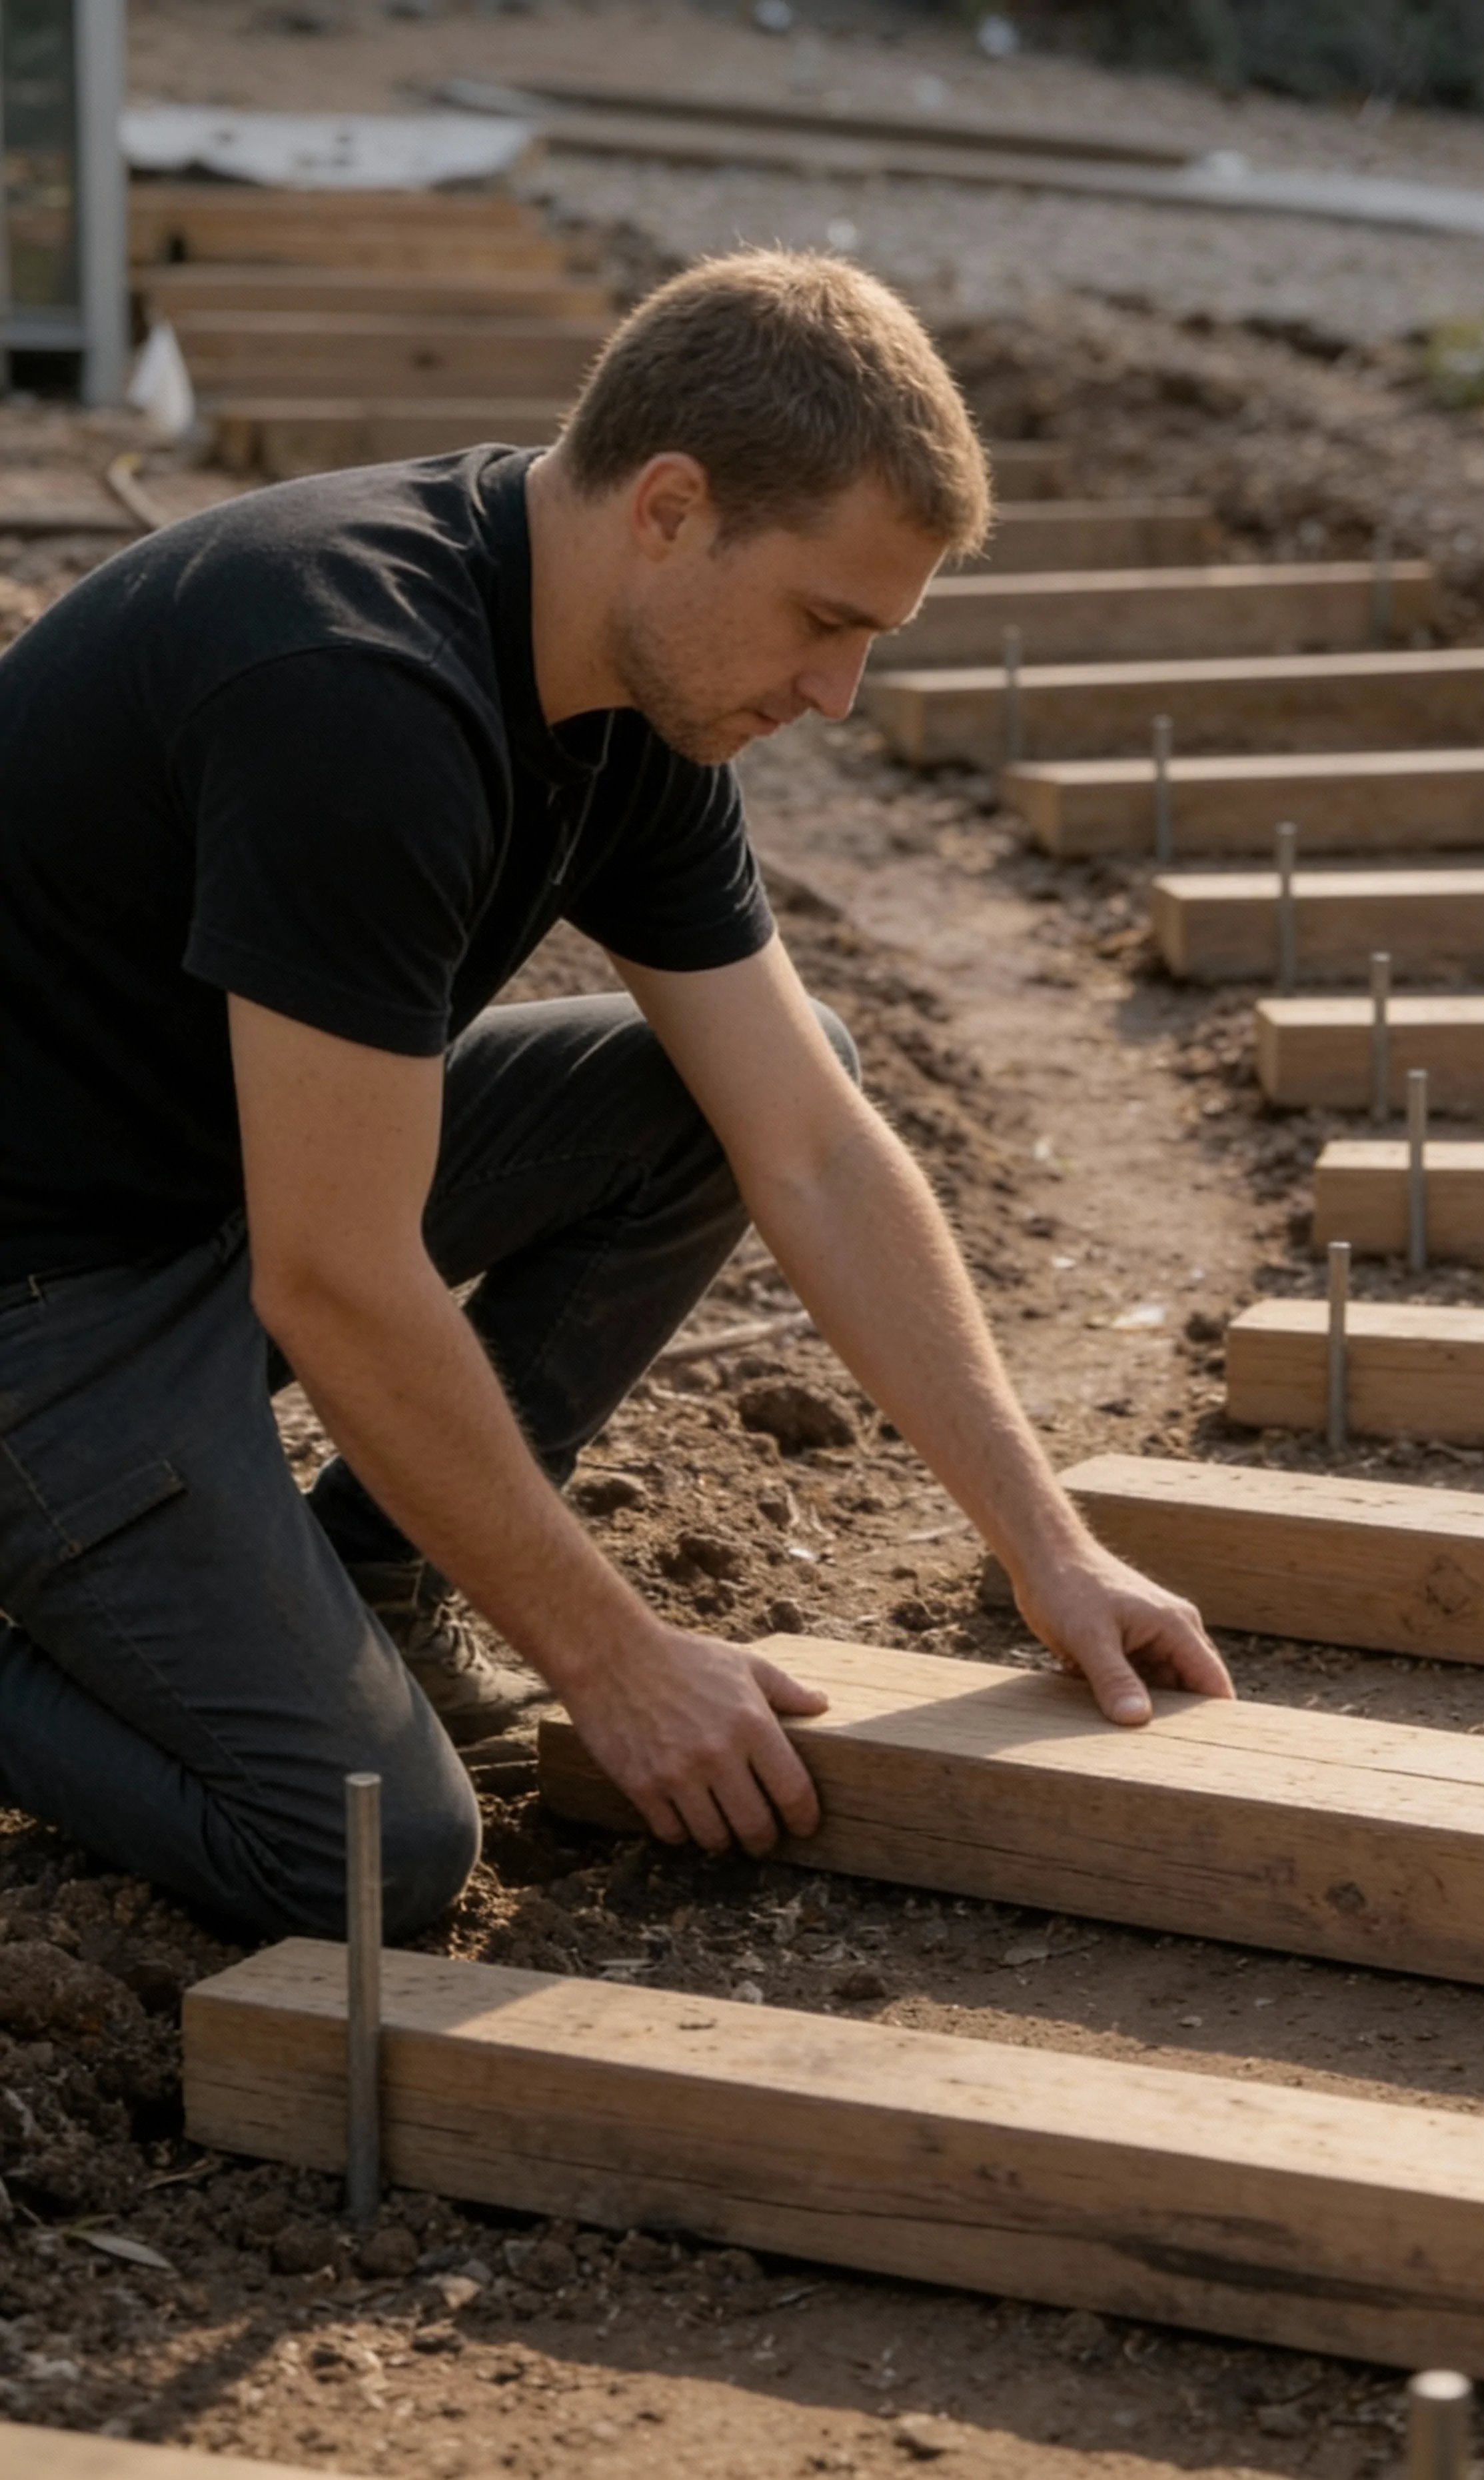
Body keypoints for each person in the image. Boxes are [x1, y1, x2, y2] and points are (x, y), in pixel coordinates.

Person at [0, 249, 1231, 1941]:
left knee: (716, 1102)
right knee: (367, 1854)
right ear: (670, 506)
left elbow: (803, 1138)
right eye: (823, 620)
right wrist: (615, 1661)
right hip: (42, 1302)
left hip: (202, 1201)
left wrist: (1049, 1545)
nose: (833, 694)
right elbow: (339, 1277)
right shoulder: (357, 692)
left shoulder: (629, 687)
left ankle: (375, 1576)